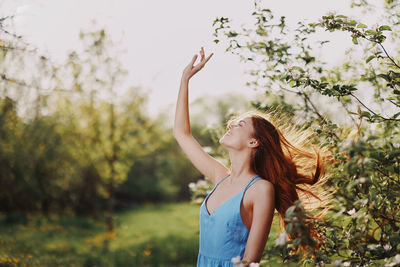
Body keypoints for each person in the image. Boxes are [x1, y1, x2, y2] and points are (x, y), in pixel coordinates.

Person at [173, 47, 331, 266]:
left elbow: (250, 261)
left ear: (253, 142)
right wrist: (185, 79)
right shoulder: (220, 176)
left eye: (240, 125)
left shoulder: (261, 189)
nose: (230, 125)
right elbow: (182, 134)